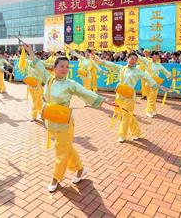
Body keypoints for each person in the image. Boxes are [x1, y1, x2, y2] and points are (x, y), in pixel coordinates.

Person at [22, 44, 115, 192]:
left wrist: (104, 100)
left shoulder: (70, 84)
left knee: (60, 151)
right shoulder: (48, 79)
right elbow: (38, 64)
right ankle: (80, 169)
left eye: (67, 66)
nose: (65, 69)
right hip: (52, 121)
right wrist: (30, 51)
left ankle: (55, 178)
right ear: (54, 67)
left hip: (65, 123)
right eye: (62, 66)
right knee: (66, 148)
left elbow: (85, 92)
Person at [96, 52, 169, 143]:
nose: (133, 61)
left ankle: (122, 135)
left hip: (129, 97)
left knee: (125, 116)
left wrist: (160, 86)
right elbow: (112, 65)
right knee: (129, 115)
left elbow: (148, 78)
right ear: (127, 59)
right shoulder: (122, 69)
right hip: (120, 95)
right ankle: (136, 132)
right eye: (131, 58)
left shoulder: (138, 71)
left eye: (135, 59)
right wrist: (102, 62)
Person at [138, 51, 172, 118]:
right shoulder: (147, 62)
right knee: (150, 97)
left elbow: (165, 71)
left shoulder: (158, 64)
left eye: (158, 55)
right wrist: (133, 52)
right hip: (148, 82)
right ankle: (148, 112)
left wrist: (171, 76)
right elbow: (140, 58)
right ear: (152, 56)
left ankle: (152, 111)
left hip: (156, 83)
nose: (157, 56)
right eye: (155, 55)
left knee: (153, 98)